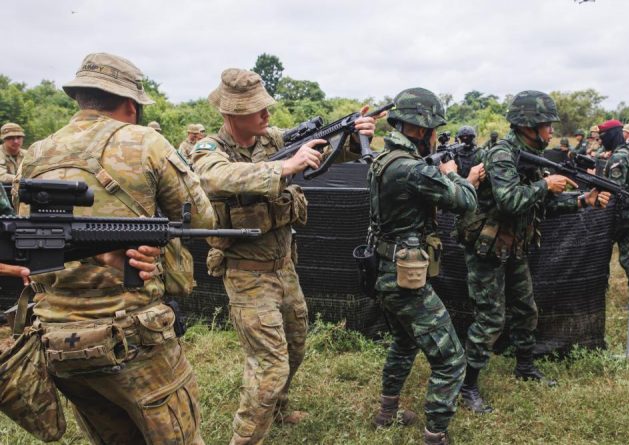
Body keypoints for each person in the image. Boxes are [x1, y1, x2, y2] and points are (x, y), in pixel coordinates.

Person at [15, 52, 214, 444]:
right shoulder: (146, 142)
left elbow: (31, 241)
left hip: (60, 341)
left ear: (82, 99)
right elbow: (202, 221)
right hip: (134, 337)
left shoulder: (36, 154)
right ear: (130, 105)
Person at [191, 68, 380, 445]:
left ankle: (277, 409)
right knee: (269, 366)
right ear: (231, 114)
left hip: (283, 268)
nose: (266, 114)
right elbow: (211, 177)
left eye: (265, 106)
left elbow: (325, 152)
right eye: (256, 108)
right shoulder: (210, 149)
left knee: (294, 346)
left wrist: (354, 135)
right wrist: (283, 168)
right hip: (246, 275)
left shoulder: (270, 140)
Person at [456, 90, 610, 414]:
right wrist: (545, 185)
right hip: (488, 251)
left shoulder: (530, 154)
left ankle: (525, 368)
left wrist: (585, 200)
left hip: (514, 248)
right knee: (490, 319)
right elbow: (510, 200)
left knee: (526, 311)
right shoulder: (502, 155)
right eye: (546, 125)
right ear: (528, 125)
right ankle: (467, 386)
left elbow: (546, 205)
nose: (551, 132)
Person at [368, 87, 482, 445]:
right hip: (406, 279)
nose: (435, 137)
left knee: (404, 342)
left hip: (387, 270)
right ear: (421, 130)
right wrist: (456, 174)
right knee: (450, 360)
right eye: (433, 130)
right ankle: (435, 436)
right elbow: (465, 201)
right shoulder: (413, 168)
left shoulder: (384, 159)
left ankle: (386, 413)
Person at [598, 119, 629, 287]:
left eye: (603, 136)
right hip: (628, 213)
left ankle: (600, 290)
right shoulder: (627, 152)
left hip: (616, 216)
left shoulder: (619, 157)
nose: (601, 140)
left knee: (599, 254)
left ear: (612, 135)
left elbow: (615, 189)